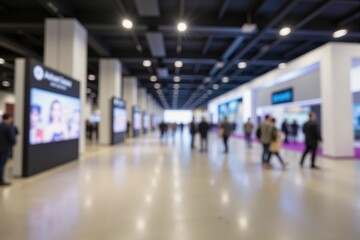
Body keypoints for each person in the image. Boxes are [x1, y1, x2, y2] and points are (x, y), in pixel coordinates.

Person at [0, 113, 16, 186]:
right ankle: (1, 180)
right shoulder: (8, 127)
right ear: (9, 118)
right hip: (5, 148)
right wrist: (14, 143)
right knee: (2, 165)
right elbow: (12, 138)